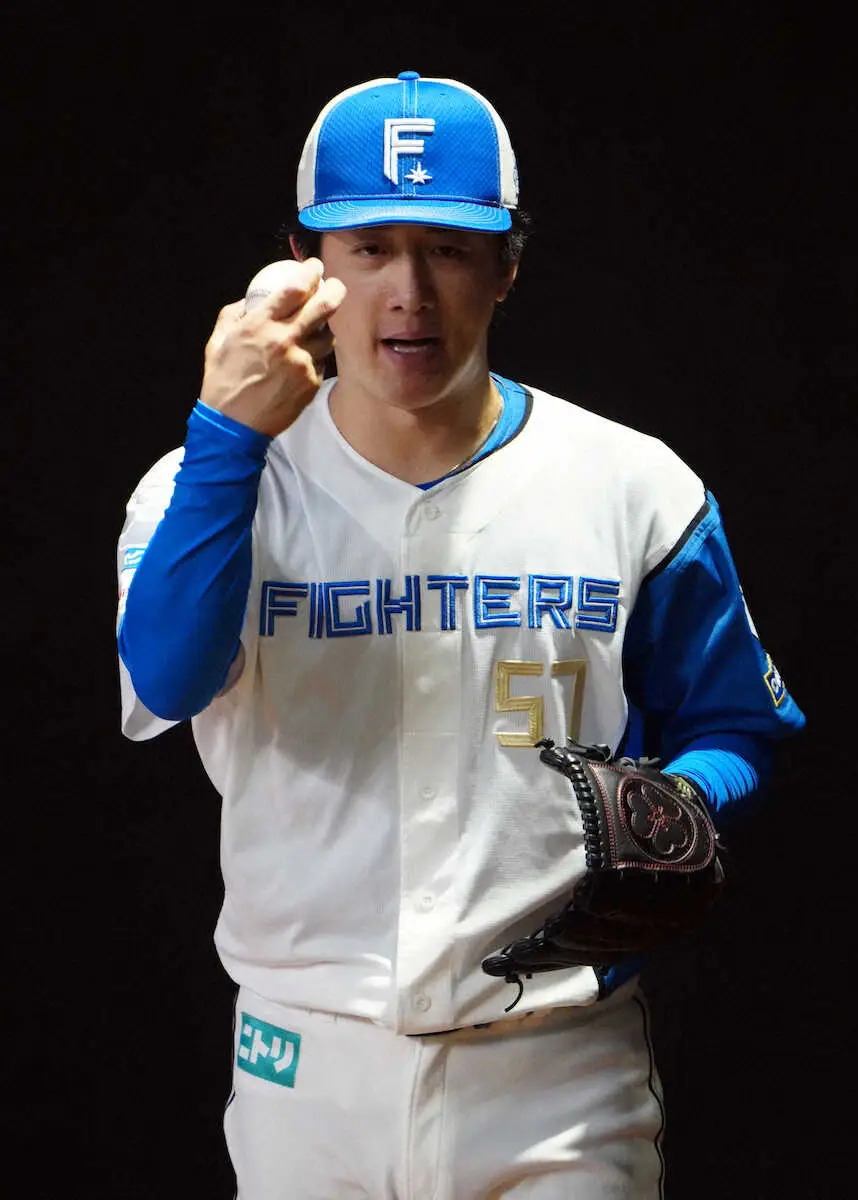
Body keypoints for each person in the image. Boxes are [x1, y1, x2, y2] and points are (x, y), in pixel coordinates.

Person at [116, 70, 805, 1199]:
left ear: (507, 264)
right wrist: (226, 441)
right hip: (304, 1064)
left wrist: (681, 803)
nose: (409, 292)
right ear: (306, 265)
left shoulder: (632, 485)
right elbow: (169, 677)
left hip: (557, 1069)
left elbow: (736, 725)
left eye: (447, 248)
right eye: (370, 248)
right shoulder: (201, 485)